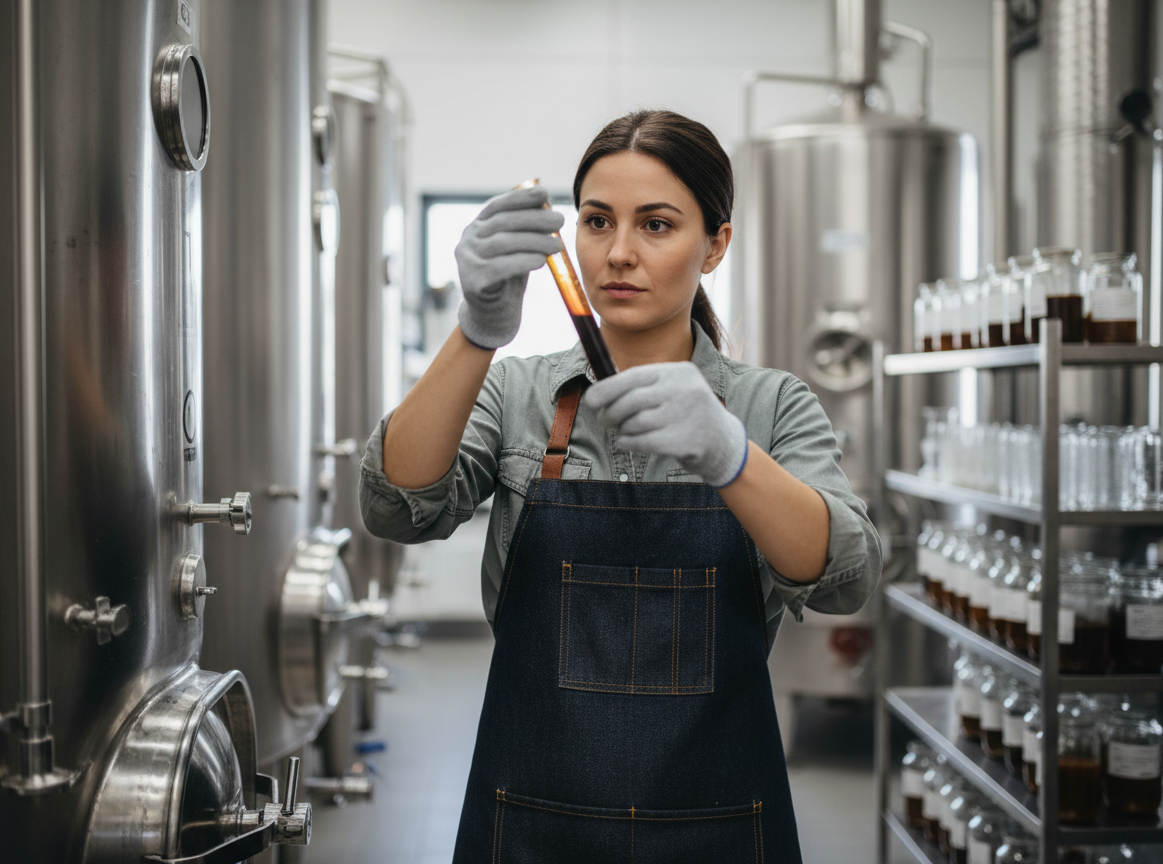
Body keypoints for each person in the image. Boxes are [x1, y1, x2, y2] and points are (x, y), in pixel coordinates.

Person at [360, 109, 881, 863]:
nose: (620, 253)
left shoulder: (771, 406)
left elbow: (845, 577)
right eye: (598, 222)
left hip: (719, 821)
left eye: (658, 225)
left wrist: (733, 458)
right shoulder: (515, 393)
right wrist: (475, 331)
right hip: (530, 816)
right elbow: (395, 508)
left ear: (715, 246)